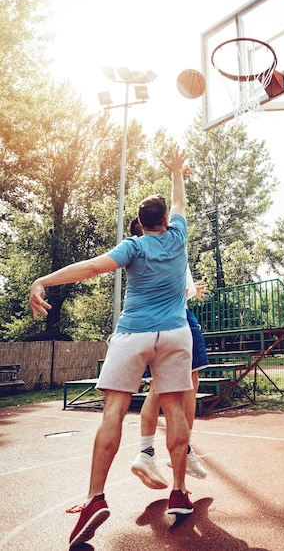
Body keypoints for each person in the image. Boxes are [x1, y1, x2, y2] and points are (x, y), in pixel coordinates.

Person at [29, 146, 196, 549]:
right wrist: (176, 172)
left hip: (134, 333)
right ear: (166, 222)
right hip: (175, 333)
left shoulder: (133, 247)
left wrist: (43, 281)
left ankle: (94, 499)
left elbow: (89, 268)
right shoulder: (179, 237)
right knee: (174, 408)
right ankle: (177, 491)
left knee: (115, 411)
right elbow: (179, 202)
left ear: (140, 223)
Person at [127, 221, 209, 488]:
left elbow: (182, 288)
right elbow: (181, 290)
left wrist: (191, 290)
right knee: (184, 388)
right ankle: (179, 451)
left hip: (150, 323)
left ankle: (148, 451)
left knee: (159, 390)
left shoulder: (141, 252)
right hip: (177, 321)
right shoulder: (168, 247)